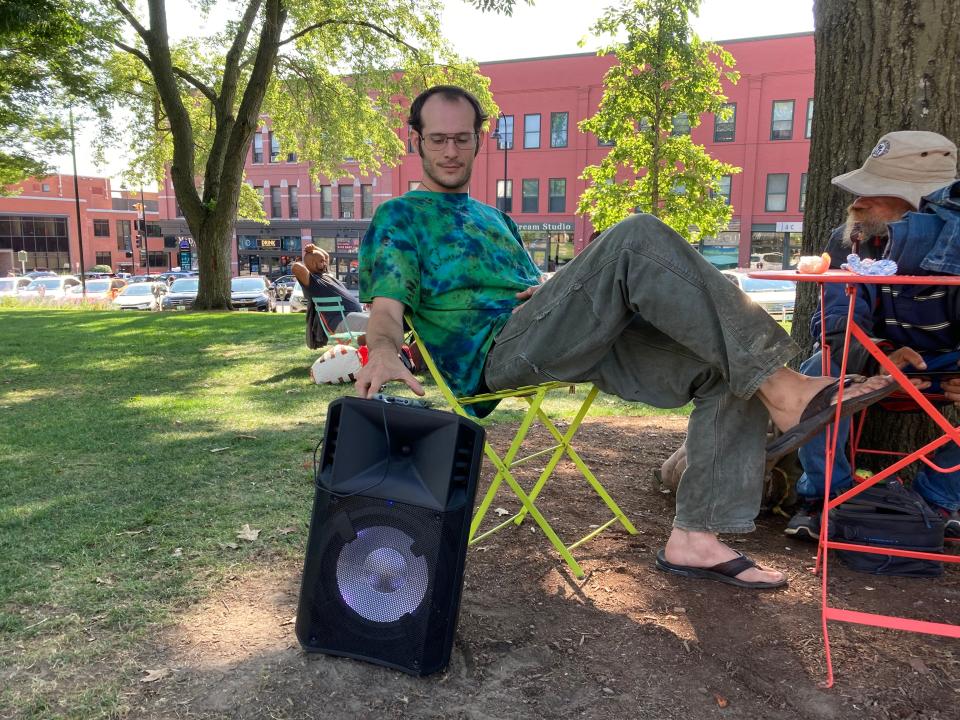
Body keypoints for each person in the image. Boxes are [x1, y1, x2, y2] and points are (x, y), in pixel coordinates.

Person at [355, 84, 899, 590]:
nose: (450, 151)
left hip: (552, 330)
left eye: (462, 138)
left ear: (481, 138)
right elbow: (386, 306)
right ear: (416, 140)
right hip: (494, 351)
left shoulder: (496, 218)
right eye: (438, 140)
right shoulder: (399, 217)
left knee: (722, 369)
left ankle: (695, 538)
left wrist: (549, 290)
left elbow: (526, 288)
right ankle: (788, 389)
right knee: (635, 234)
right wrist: (382, 349)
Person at [787, 131, 960, 541]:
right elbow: (835, 322)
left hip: (949, 363)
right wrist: (877, 353)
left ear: (922, 203)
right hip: (870, 362)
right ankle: (827, 496)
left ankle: (939, 498)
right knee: (820, 367)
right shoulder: (850, 241)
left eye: (875, 192)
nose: (856, 202)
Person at [291, 244, 363, 350]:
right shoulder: (312, 281)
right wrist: (308, 254)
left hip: (351, 317)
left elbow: (326, 255)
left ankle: (366, 355)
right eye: (321, 261)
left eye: (324, 261)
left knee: (378, 320)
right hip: (340, 320)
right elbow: (296, 267)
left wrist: (315, 248)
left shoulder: (326, 275)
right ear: (312, 263)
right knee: (374, 322)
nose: (325, 263)